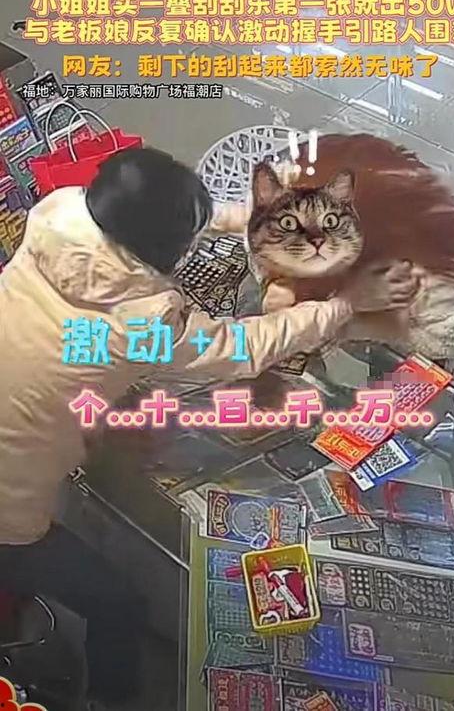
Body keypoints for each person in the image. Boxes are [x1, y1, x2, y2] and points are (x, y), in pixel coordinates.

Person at [0, 147, 418, 708]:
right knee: (117, 603)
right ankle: (109, 701)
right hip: (7, 513)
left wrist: (258, 215)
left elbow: (149, 215)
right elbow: (244, 346)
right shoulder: (141, 323)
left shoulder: (58, 215)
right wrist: (346, 304)